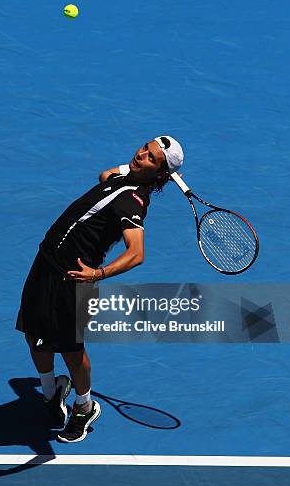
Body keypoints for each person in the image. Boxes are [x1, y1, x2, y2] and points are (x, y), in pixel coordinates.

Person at [16, 136, 184, 442]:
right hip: (45, 264)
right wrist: (150, 172)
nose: (140, 155)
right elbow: (105, 175)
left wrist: (98, 274)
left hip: (75, 280)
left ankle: (84, 405)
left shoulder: (132, 200)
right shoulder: (120, 178)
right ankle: (51, 393)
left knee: (71, 351)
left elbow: (137, 253)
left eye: (150, 158)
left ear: (158, 173)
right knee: (34, 336)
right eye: (144, 149)